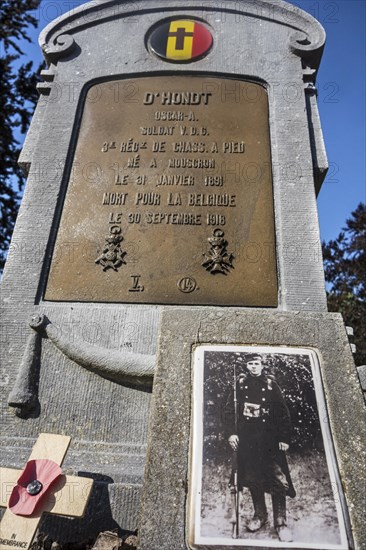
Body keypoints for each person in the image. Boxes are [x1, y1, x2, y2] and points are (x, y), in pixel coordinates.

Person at [227, 354, 296, 542]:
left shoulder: (271, 384)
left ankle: (281, 523)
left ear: (261, 365)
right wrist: (231, 433)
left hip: (269, 441)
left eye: (256, 363)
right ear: (246, 366)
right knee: (253, 479)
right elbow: (228, 410)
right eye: (250, 363)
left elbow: (283, 412)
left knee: (278, 482)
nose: (253, 367)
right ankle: (260, 516)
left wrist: (284, 437)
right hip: (248, 441)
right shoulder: (240, 384)